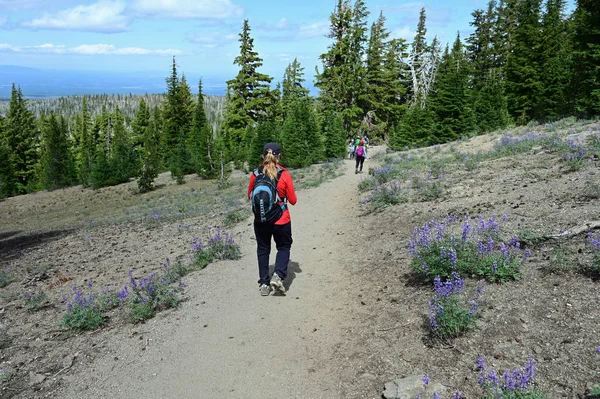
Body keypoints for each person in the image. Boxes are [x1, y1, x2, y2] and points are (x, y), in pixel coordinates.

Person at [247, 143, 297, 296]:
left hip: (260, 220)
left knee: (263, 249)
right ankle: (278, 274)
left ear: (263, 156)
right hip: (281, 219)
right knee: (283, 246)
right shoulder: (284, 174)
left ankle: (263, 283)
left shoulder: (255, 174)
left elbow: (249, 195)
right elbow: (293, 200)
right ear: (278, 156)